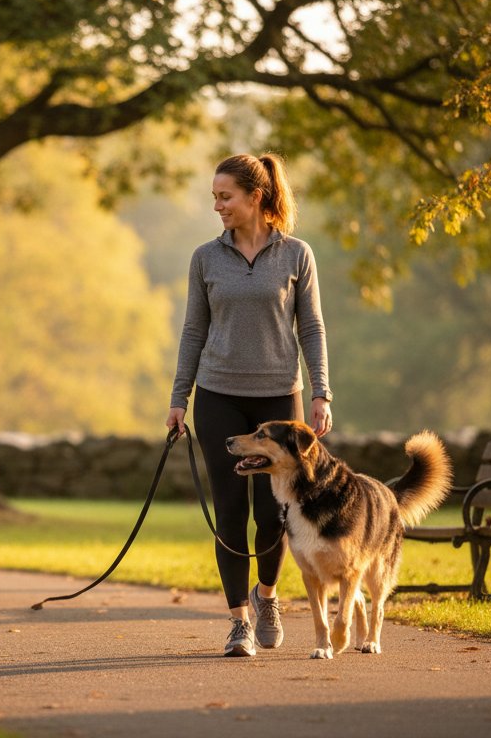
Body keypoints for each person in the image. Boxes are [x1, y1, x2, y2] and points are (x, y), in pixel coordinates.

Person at [166, 152, 333, 657]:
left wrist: (321, 391)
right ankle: (239, 620)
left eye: (226, 196)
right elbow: (193, 330)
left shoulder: (296, 254)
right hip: (218, 396)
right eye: (214, 197)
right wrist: (179, 398)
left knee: (273, 513)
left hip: (279, 400)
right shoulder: (206, 258)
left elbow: (311, 328)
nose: (217, 206)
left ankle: (267, 596)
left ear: (255, 197)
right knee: (231, 510)